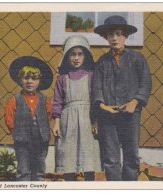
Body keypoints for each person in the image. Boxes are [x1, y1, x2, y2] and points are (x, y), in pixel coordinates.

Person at [92, 15, 152, 181]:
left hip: (130, 114)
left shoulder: (137, 59)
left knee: (131, 155)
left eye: (118, 34)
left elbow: (146, 83)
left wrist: (135, 101)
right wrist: (102, 106)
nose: (114, 38)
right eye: (110, 35)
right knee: (111, 158)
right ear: (105, 37)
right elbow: (96, 88)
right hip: (107, 116)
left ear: (125, 36)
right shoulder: (102, 62)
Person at [52, 35, 101, 181]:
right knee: (68, 153)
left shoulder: (91, 76)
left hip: (88, 118)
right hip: (68, 120)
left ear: (85, 57)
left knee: (88, 152)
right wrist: (56, 122)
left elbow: (96, 99)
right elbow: (57, 101)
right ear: (67, 57)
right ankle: (69, 182)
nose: (76, 58)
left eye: (80, 54)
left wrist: (96, 121)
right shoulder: (62, 79)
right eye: (72, 54)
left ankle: (89, 181)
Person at [4, 56, 53, 181]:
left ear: (39, 81)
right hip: (22, 142)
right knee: (23, 171)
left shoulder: (45, 100)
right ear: (20, 80)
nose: (30, 81)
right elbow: (9, 117)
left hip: (41, 141)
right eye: (26, 78)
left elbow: (48, 116)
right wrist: (16, 132)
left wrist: (43, 131)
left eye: (34, 78)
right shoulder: (15, 100)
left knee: (39, 171)